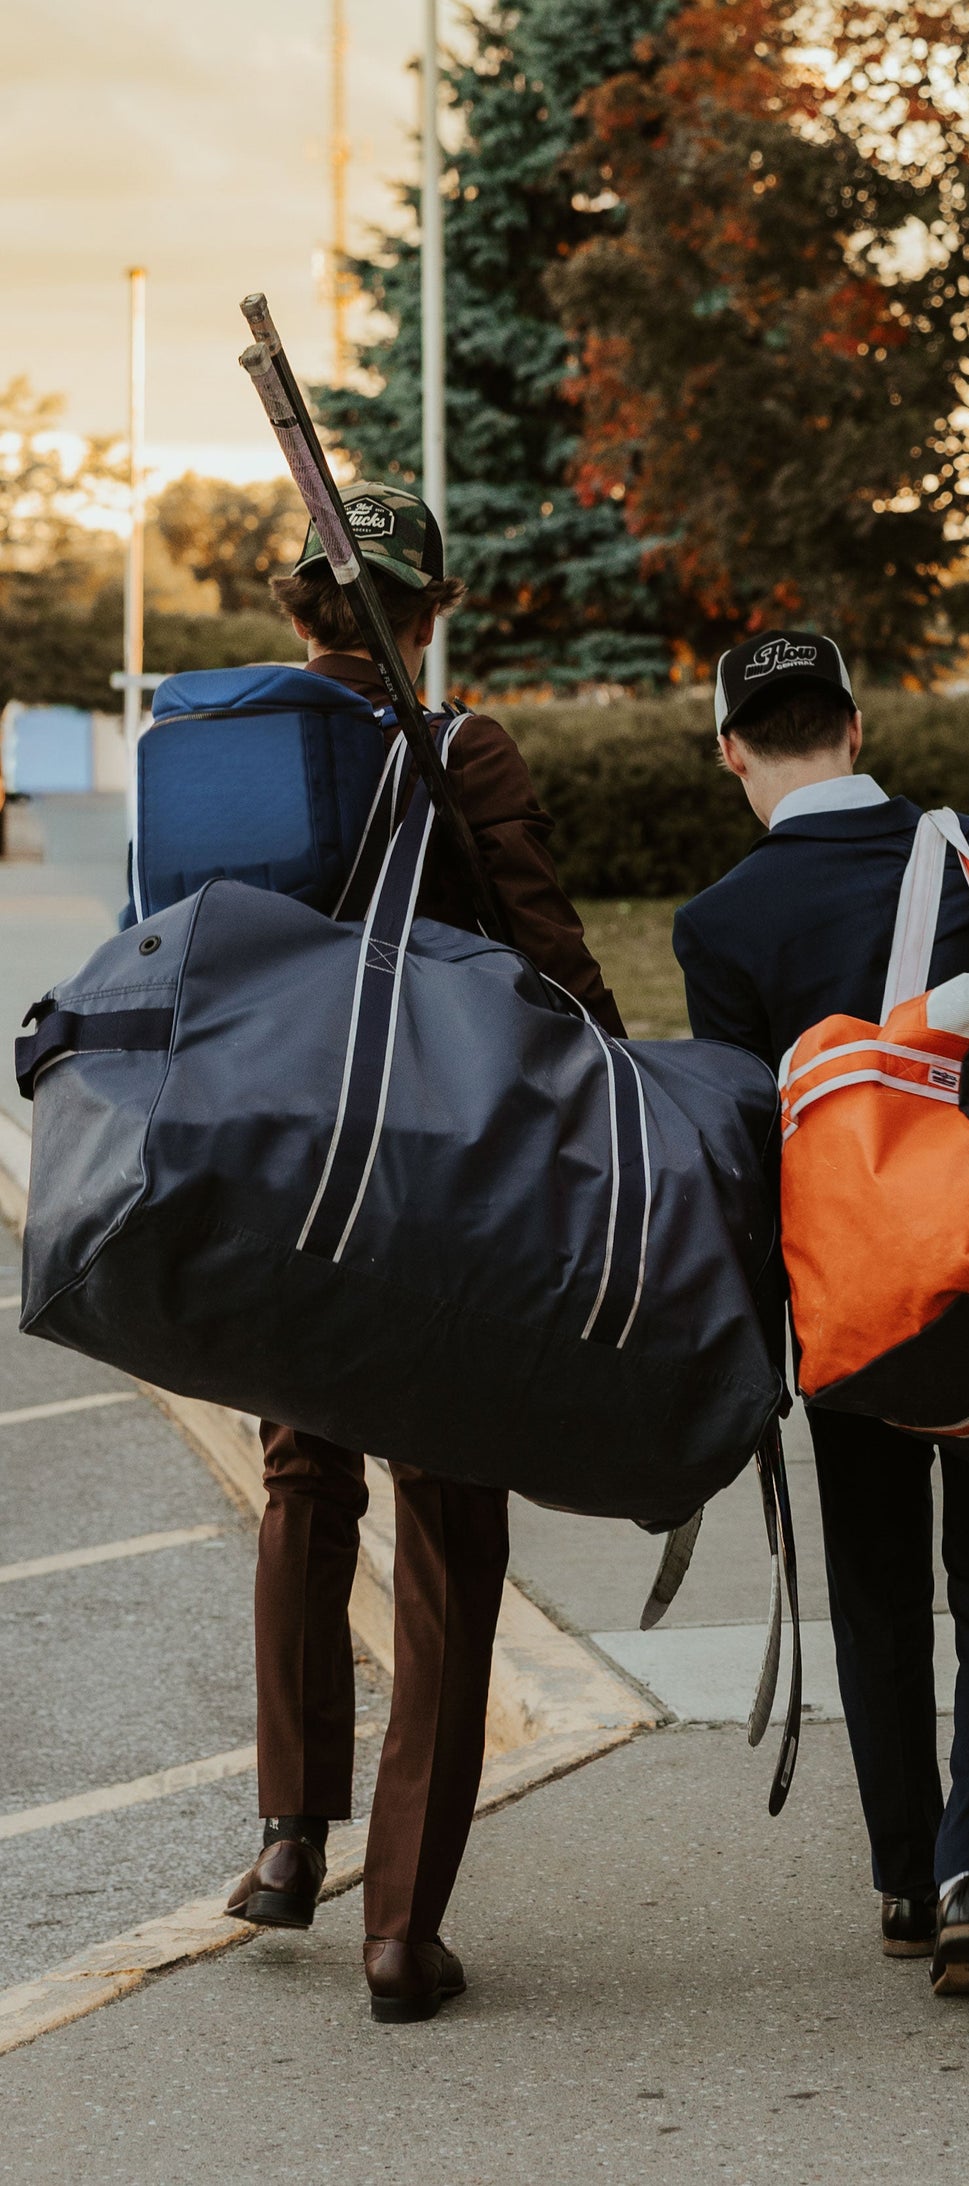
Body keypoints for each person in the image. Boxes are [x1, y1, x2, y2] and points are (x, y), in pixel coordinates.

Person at [223, 482, 624, 2024]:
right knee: (450, 1525)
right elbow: (548, 955)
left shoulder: (235, 744)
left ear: (301, 605)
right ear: (431, 609)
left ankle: (286, 1833)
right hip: (432, 1191)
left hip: (277, 1173)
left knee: (302, 1477)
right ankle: (399, 1929)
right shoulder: (464, 749)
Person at [672, 630, 969, 1998]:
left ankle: (905, 1875)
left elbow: (742, 1153)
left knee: (875, 1589)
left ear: (732, 751)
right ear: (855, 730)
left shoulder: (721, 923)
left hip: (850, 1303)